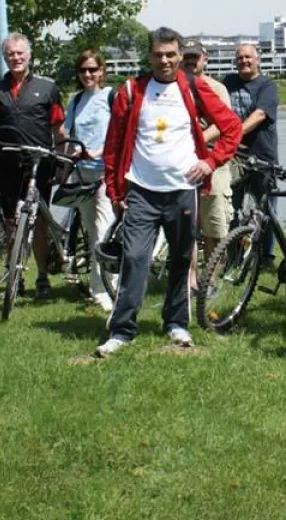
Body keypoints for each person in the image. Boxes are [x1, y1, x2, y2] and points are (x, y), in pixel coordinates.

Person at [97, 27, 242, 357]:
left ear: (179, 56)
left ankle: (176, 322)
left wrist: (211, 162)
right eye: (158, 55)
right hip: (141, 191)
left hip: (182, 190)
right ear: (149, 57)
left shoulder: (193, 88)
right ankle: (121, 330)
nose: (165, 60)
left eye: (171, 55)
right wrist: (114, 187)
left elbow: (232, 127)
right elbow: (113, 144)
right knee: (134, 258)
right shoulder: (131, 91)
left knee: (181, 258)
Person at [0, 33, 65, 299]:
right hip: (7, 163)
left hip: (40, 164)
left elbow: (58, 129)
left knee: (38, 219)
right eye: (10, 54)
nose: (15, 58)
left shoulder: (47, 88)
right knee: (10, 222)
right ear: (5, 58)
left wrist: (62, 159)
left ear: (29, 55)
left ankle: (41, 276)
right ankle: (14, 275)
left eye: (20, 53)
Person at [59, 49, 117, 312]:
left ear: (102, 71)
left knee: (105, 230)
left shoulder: (110, 97)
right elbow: (68, 132)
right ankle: (99, 287)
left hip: (105, 173)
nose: (88, 75)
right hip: (82, 173)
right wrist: (68, 156)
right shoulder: (76, 99)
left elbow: (119, 133)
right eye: (83, 70)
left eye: (93, 69)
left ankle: (107, 288)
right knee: (92, 233)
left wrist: (97, 152)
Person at [182, 40, 236, 269]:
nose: (191, 61)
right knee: (188, 224)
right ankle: (190, 276)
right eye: (187, 57)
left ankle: (212, 277)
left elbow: (223, 124)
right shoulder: (176, 87)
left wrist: (199, 139)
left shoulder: (217, 88)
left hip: (213, 161)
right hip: (184, 162)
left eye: (196, 57)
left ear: (205, 60)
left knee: (214, 224)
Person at [223, 43, 280, 259]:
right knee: (232, 206)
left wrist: (232, 135)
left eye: (248, 57)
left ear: (257, 60)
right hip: (234, 156)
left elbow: (259, 115)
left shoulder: (267, 85)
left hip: (262, 155)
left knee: (265, 207)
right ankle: (233, 255)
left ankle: (266, 256)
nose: (244, 61)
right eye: (239, 58)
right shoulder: (228, 82)